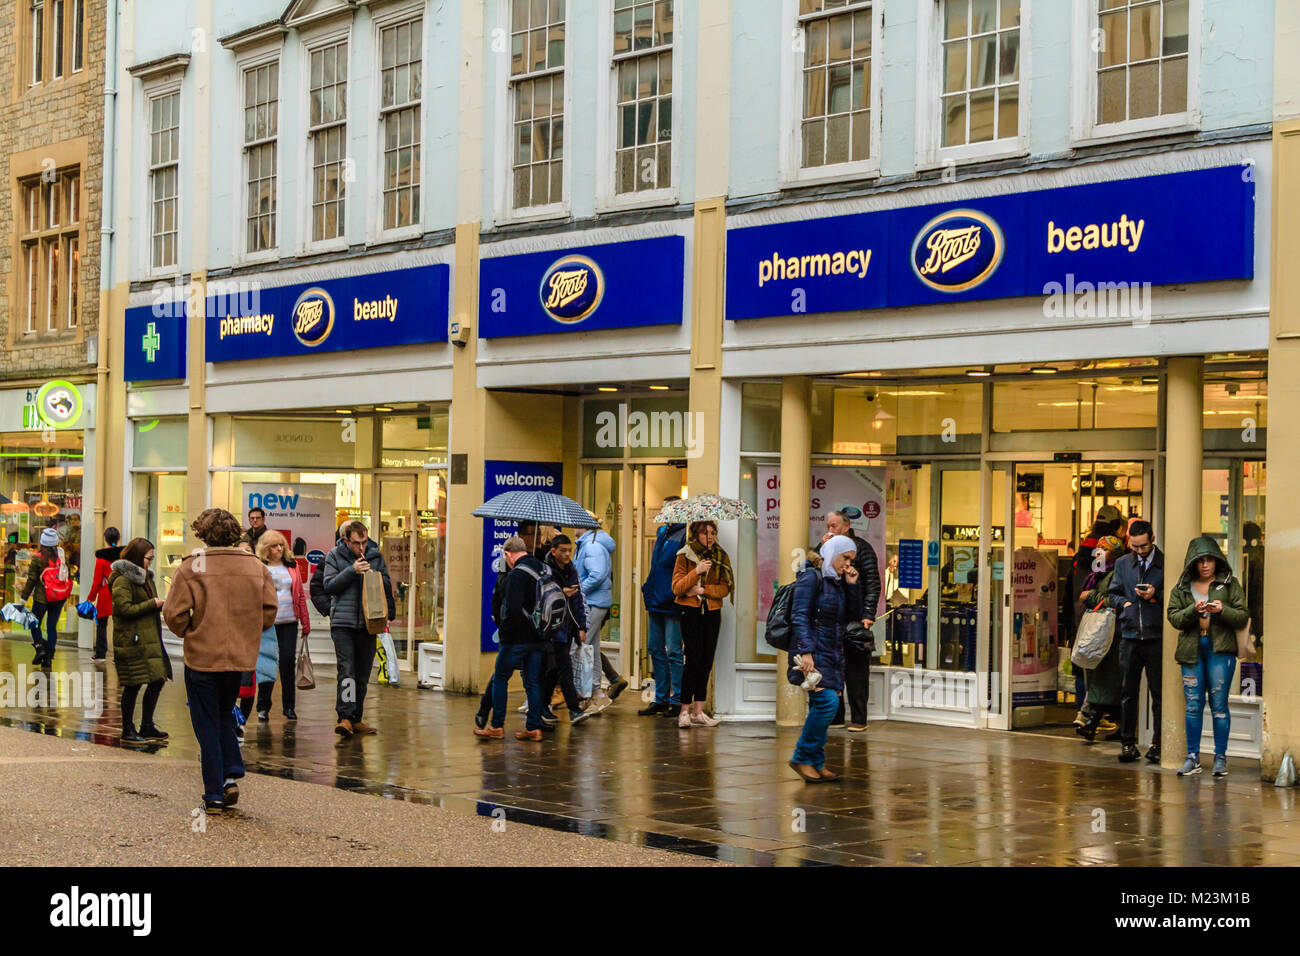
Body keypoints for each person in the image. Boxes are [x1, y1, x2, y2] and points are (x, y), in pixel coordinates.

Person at [163, 508, 277, 812]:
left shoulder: (192, 566)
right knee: (225, 712)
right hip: (240, 657)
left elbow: (173, 613)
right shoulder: (256, 566)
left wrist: (192, 630)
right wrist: (248, 631)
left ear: (202, 533)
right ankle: (230, 774)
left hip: (202, 656)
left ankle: (214, 790)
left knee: (206, 723)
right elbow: (269, 611)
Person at [1167, 536, 1249, 778]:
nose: (1205, 565)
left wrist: (1221, 610)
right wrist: (1194, 610)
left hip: (1220, 650)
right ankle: (1192, 757)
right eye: (1200, 561)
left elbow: (1242, 616)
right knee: (1193, 705)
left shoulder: (1229, 583)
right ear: (1192, 563)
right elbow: (1173, 618)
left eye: (1209, 560)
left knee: (1219, 705)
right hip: (1192, 650)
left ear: (1216, 561)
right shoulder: (1182, 587)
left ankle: (1220, 758)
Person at [789, 536, 861, 783]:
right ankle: (802, 757)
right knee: (827, 703)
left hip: (832, 653)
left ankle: (817, 763)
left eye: (851, 559)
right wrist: (806, 651)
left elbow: (851, 616)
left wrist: (852, 585)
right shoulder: (812, 577)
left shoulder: (837, 582)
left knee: (825, 707)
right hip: (814, 653)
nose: (848, 563)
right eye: (845, 558)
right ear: (832, 554)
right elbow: (799, 615)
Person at [322, 520, 395, 738]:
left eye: (364, 542)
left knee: (363, 672)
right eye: (356, 543)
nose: (361, 548)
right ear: (347, 540)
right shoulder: (334, 556)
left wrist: (374, 576)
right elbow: (329, 586)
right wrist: (352, 571)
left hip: (368, 621)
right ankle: (344, 716)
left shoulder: (375, 556)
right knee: (347, 670)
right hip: (343, 623)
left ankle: (356, 718)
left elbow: (388, 586)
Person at [475, 536, 548, 741]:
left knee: (500, 678)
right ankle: (533, 727)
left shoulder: (517, 574)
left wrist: (504, 632)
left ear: (508, 554)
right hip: (539, 636)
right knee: (532, 682)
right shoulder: (542, 568)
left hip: (517, 638)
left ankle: (497, 725)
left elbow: (513, 609)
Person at [814, 509, 881, 732]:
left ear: (846, 526)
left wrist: (868, 614)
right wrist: (819, 549)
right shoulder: (825, 547)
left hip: (855, 615)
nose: (829, 530)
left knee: (856, 671)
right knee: (832, 668)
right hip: (831, 617)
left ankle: (859, 718)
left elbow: (873, 582)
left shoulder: (861, 548)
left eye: (834, 526)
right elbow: (814, 571)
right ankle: (836, 716)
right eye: (828, 526)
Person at [1108, 520, 1164, 764]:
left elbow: (1176, 595)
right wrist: (1126, 604)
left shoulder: (1164, 563)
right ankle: (1128, 743)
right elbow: (1113, 593)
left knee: (1158, 693)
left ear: (1152, 539)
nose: (1140, 551)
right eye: (1135, 546)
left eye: (1144, 546)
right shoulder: (1123, 563)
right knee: (1128, 692)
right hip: (1130, 635)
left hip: (1155, 635)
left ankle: (1159, 744)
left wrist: (1155, 595)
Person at [671, 520, 734, 728]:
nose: (710, 537)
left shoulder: (720, 556)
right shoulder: (684, 555)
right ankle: (684, 710)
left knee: (706, 661)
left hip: (712, 613)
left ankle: (699, 710)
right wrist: (696, 571)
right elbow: (677, 587)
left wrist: (703, 590)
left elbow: (724, 588)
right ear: (695, 534)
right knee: (693, 660)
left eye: (713, 532)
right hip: (690, 611)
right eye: (705, 533)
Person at [109, 538, 171, 743]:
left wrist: (157, 604)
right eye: (148, 558)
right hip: (132, 639)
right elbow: (123, 609)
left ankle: (147, 725)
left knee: (157, 679)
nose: (150, 562)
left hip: (149, 637)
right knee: (133, 684)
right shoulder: (122, 580)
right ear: (137, 557)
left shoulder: (146, 577)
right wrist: (152, 604)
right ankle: (127, 729)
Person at [539, 534, 597, 726]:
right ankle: (567, 708)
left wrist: (582, 626)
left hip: (566, 626)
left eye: (569, 550)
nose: (567, 554)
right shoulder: (545, 570)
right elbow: (540, 595)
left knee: (558, 669)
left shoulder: (572, 570)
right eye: (562, 550)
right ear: (553, 551)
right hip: (550, 627)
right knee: (559, 669)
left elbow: (578, 600)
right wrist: (560, 592)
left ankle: (552, 706)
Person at [255, 530, 310, 721]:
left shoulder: (291, 566)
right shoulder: (260, 567)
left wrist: (306, 622)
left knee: (287, 662)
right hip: (268, 623)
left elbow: (300, 595)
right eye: (274, 546)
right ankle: (263, 707)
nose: (279, 548)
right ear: (266, 549)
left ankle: (289, 707)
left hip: (289, 622)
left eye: (281, 545)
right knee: (267, 664)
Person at [1076, 534, 1125, 743]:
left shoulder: (1116, 573)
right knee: (1099, 678)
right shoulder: (1096, 573)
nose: (1099, 552)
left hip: (1113, 633)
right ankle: (1092, 723)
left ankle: (1094, 723)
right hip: (1099, 631)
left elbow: (1115, 599)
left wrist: (1090, 596)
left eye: (1104, 549)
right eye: (1097, 548)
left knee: (1108, 680)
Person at [639, 503, 686, 718]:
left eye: (669, 508)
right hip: (657, 599)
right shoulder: (661, 532)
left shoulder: (685, 533)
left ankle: (677, 700)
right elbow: (655, 565)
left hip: (673, 601)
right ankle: (660, 698)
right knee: (655, 649)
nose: (664, 512)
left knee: (674, 651)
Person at [575, 520, 629, 706]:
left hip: (591, 602)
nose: (575, 526)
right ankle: (597, 692)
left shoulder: (592, 546)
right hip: (595, 601)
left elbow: (596, 575)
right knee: (593, 648)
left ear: (586, 526)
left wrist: (578, 591)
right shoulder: (591, 544)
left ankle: (584, 693)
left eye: (578, 523)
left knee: (581, 648)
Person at [23, 527, 70, 668]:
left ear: (42, 543)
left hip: (41, 598)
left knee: (34, 624)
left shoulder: (38, 559)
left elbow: (31, 580)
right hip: (58, 597)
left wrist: (23, 598)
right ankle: (48, 658)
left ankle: (40, 648)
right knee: (51, 627)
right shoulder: (62, 556)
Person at [86, 526, 122, 663]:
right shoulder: (123, 557)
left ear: (105, 539)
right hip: (120, 592)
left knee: (101, 625)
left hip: (105, 593)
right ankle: (119, 653)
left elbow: (96, 581)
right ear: (118, 539)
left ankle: (101, 653)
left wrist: (90, 598)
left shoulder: (101, 559)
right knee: (120, 626)